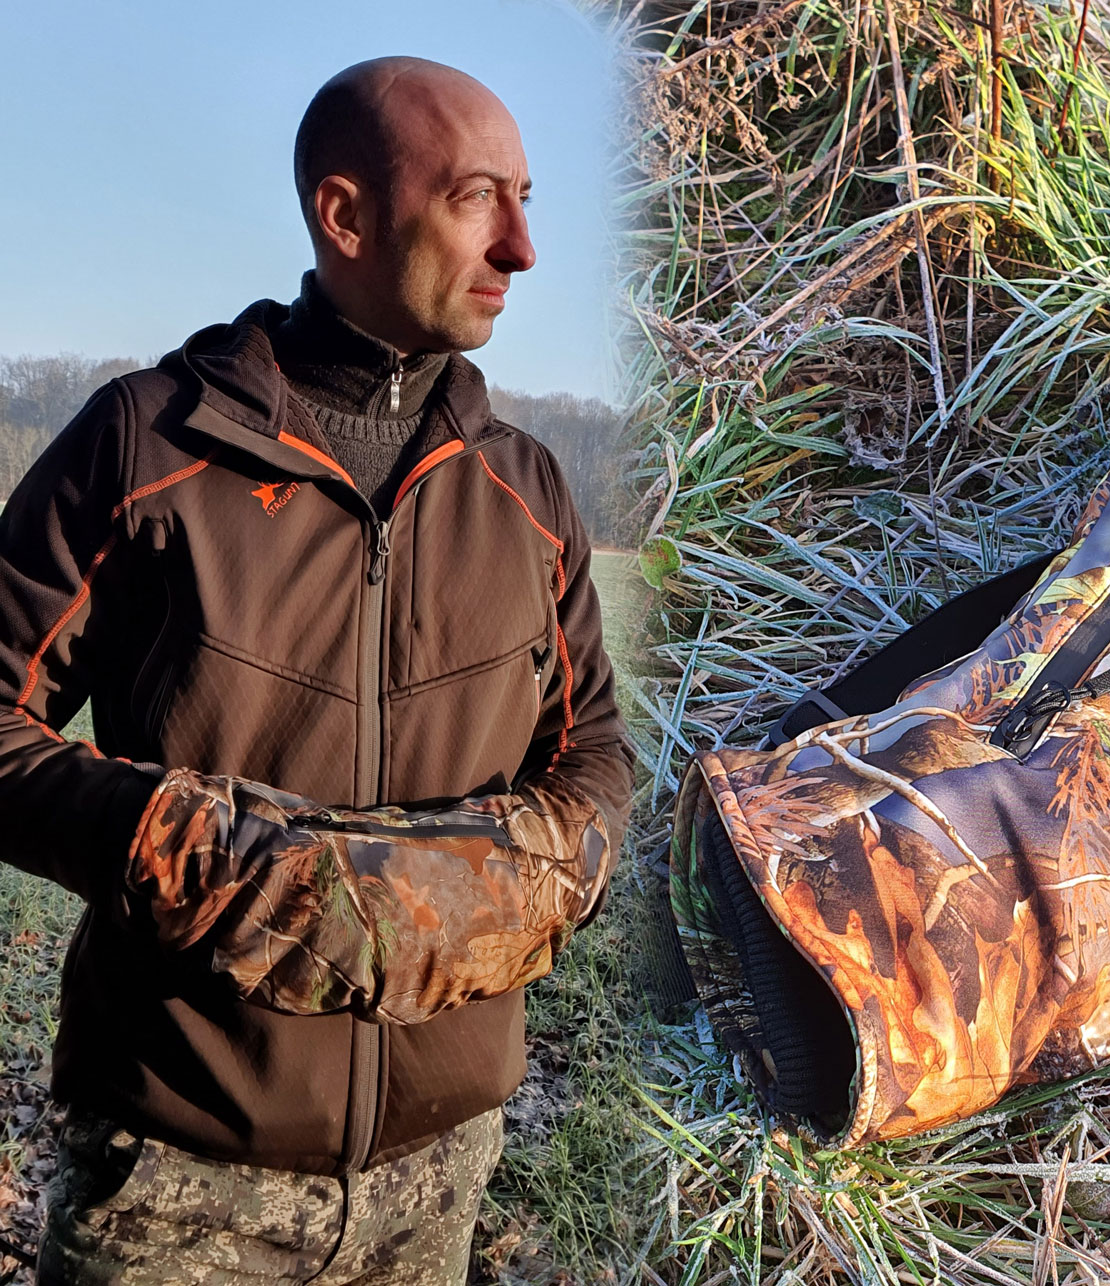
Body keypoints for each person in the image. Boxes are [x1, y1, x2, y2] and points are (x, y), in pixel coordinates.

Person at [0, 55, 635, 1284]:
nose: (522, 249)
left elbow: (594, 743)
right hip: (179, 1185)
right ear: (343, 216)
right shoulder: (148, 445)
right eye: (476, 199)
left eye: (527, 198)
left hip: (438, 1176)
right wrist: (178, 847)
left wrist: (534, 876)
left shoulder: (530, 489)